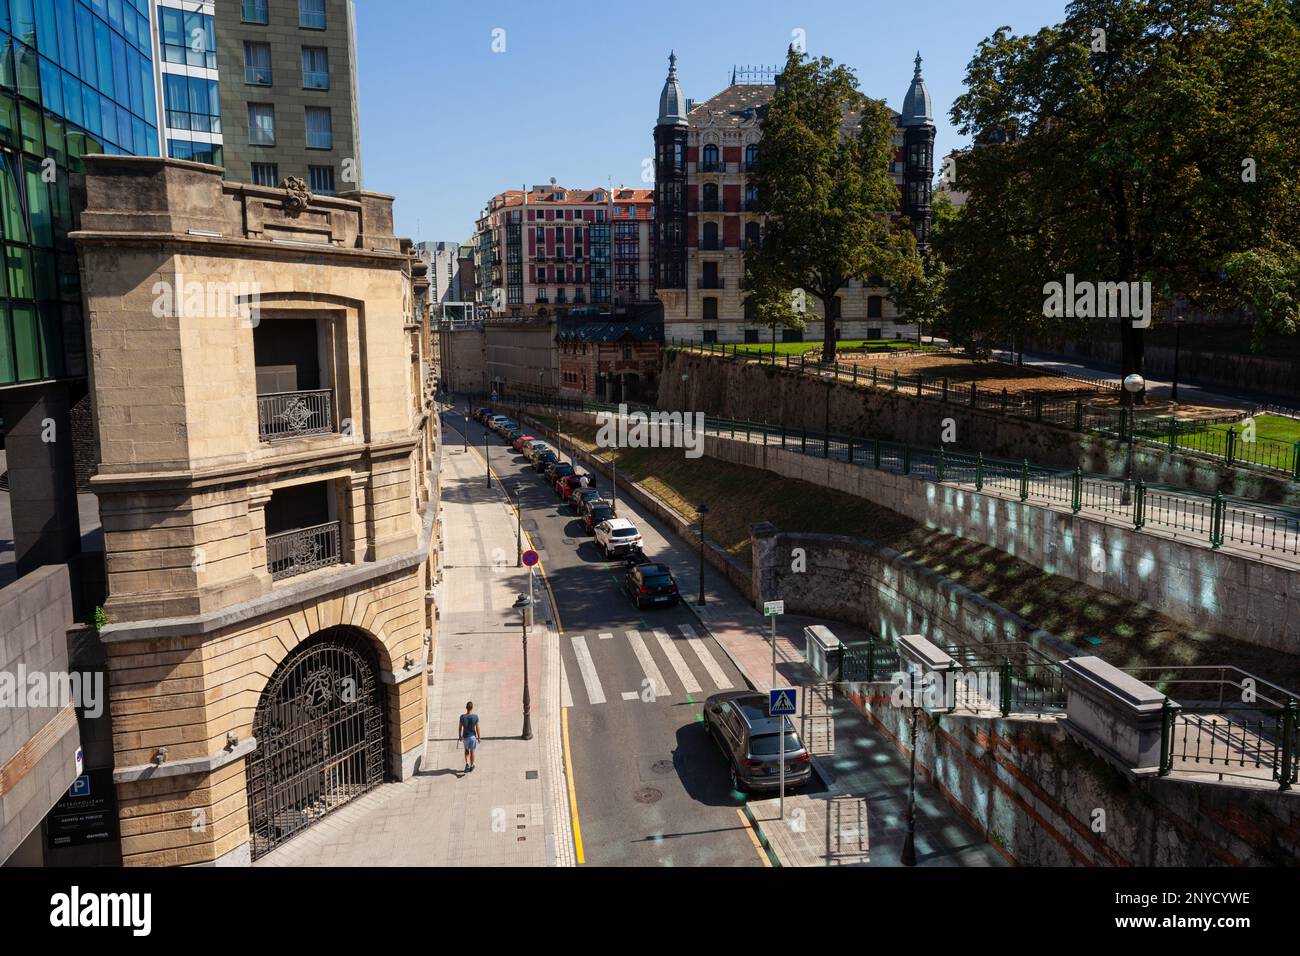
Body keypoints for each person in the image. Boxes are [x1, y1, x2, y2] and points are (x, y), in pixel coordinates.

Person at [458, 701, 480, 773]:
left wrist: (460, 736)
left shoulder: (462, 717)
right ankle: (472, 765)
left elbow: (460, 727)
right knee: (472, 751)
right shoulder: (475, 717)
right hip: (473, 736)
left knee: (466, 750)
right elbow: (477, 728)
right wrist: (479, 737)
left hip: (465, 736)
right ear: (472, 708)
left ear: (466, 708)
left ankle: (467, 763)